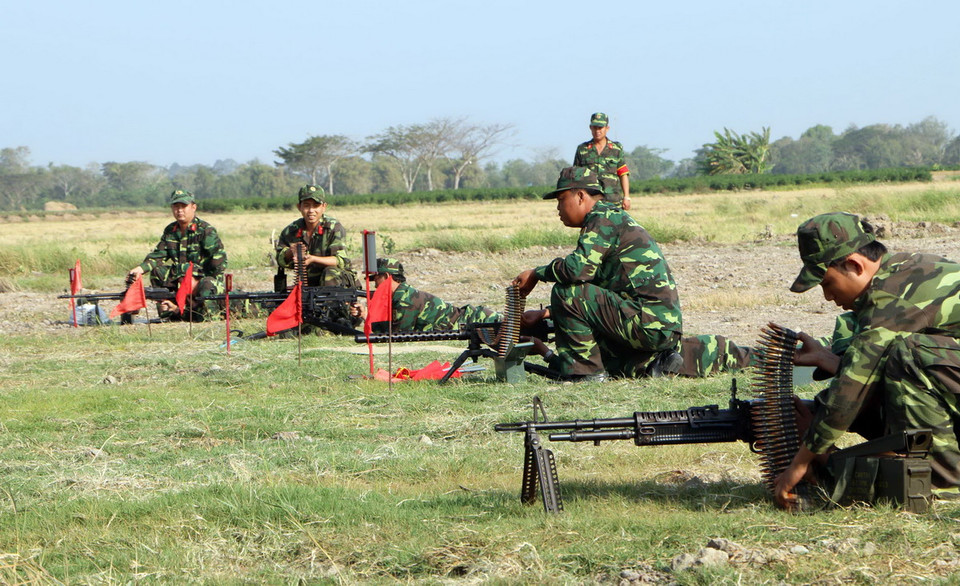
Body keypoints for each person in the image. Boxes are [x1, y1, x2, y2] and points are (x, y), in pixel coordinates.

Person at [774, 212, 960, 509]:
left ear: (854, 265)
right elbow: (870, 369)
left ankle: (944, 487)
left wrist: (801, 461)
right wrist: (828, 359)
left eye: (827, 283)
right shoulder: (900, 270)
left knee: (909, 354)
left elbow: (851, 389)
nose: (827, 296)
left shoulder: (891, 297)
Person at [513, 166, 682, 381]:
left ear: (581, 196)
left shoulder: (602, 218)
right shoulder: (611, 217)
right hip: (660, 327)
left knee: (565, 292)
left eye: (561, 199)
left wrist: (537, 274)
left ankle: (586, 375)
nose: (558, 208)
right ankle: (649, 366)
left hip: (647, 323)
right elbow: (597, 290)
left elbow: (576, 270)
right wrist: (547, 313)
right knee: (607, 359)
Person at [127, 189, 226, 319]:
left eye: (183, 206)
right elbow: (159, 255)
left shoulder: (205, 230)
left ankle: (198, 311)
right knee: (157, 272)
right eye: (176, 206)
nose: (179, 210)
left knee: (207, 284)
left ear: (193, 207)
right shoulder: (171, 230)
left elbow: (218, 263)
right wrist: (139, 270)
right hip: (180, 278)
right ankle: (168, 311)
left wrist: (198, 280)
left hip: (203, 281)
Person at [357, 257, 501, 331]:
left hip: (478, 320)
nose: (374, 283)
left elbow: (398, 334)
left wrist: (369, 319)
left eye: (376, 278)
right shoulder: (402, 295)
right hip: (473, 320)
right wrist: (365, 315)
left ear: (387, 276)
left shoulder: (405, 299)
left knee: (518, 330)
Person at [275, 185, 357, 288]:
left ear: (324, 207)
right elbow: (280, 258)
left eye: (316, 206)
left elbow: (339, 260)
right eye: (306, 205)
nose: (311, 210)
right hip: (308, 283)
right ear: (299, 207)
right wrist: (290, 252)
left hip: (337, 282)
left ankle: (332, 303)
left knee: (330, 272)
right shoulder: (291, 231)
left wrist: (313, 259)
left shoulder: (333, 228)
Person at [573, 112, 631, 210]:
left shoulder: (616, 148)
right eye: (595, 127)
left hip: (613, 201)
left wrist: (626, 197)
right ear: (590, 128)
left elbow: (623, 173)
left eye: (600, 128)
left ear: (607, 128)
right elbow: (576, 176)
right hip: (590, 202)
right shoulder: (582, 149)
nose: (597, 131)